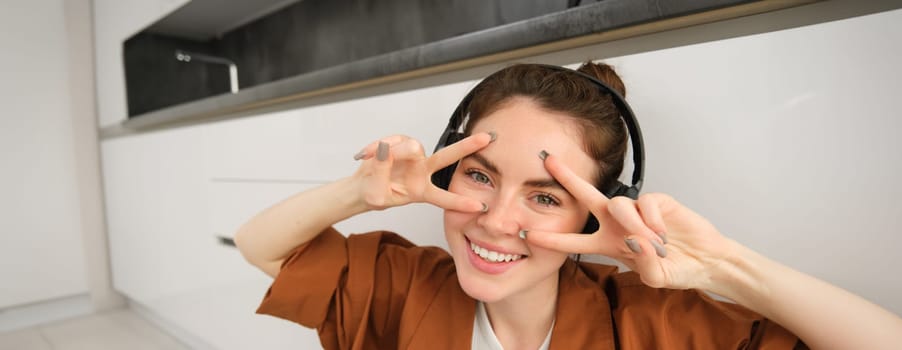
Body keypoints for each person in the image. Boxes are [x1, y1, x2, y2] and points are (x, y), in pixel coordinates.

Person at [234, 62, 902, 349]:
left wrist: (721, 267)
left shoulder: (649, 323)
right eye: (479, 176)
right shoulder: (403, 286)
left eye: (545, 195)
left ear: (595, 213)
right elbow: (258, 246)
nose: (496, 220)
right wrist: (360, 192)